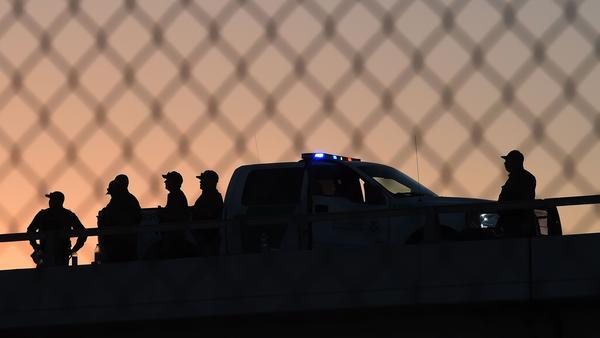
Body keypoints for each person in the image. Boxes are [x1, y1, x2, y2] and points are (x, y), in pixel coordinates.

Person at [27, 191, 87, 267]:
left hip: (51, 254)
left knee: (46, 276)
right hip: (58, 254)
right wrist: (74, 250)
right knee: (60, 276)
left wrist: (36, 247)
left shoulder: (43, 214)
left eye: (52, 199)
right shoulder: (68, 215)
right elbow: (83, 233)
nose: (50, 202)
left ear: (58, 201)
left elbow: (30, 231)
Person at [97, 174, 142, 262]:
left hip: (122, 243)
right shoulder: (121, 199)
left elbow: (134, 218)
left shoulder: (124, 199)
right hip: (121, 242)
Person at [154, 171, 195, 258]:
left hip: (174, 236)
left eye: (167, 180)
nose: (165, 182)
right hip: (172, 234)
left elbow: (177, 216)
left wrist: (162, 214)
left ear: (173, 182)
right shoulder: (174, 195)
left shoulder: (176, 196)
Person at [497, 150, 538, 237]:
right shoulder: (516, 178)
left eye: (508, 161)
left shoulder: (523, 178)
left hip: (518, 222)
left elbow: (522, 199)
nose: (505, 163)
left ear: (516, 162)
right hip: (512, 221)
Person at [191, 170, 223, 255]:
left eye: (203, 180)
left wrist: (197, 211)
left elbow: (211, 214)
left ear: (210, 182)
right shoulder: (206, 195)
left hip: (208, 235)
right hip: (202, 234)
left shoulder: (214, 196)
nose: (201, 182)